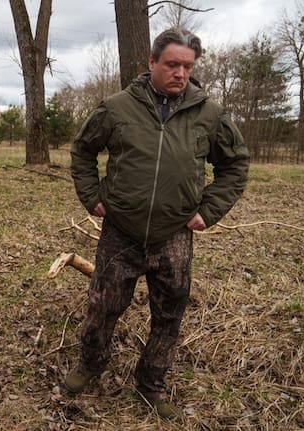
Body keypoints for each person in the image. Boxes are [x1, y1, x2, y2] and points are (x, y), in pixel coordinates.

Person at [65, 27, 249, 419]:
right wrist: (93, 198)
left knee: (169, 313)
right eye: (171, 64)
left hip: (174, 235)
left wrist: (209, 210)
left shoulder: (209, 114)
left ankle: (152, 383)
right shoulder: (116, 108)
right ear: (151, 64)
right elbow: (83, 151)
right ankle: (91, 365)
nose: (180, 73)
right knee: (103, 306)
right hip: (121, 231)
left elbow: (235, 165)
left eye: (187, 66)